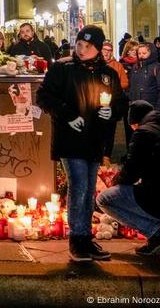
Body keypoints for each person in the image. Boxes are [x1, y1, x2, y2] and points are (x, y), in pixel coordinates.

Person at [37, 25, 127, 262]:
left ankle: (86, 238)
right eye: (79, 45)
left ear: (98, 49)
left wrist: (112, 111)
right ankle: (77, 239)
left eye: (88, 46)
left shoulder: (108, 74)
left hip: (95, 140)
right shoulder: (63, 68)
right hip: (71, 139)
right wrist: (68, 115)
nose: (82, 49)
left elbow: (120, 102)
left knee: (89, 188)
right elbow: (45, 96)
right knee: (79, 186)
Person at [96, 101, 160, 256]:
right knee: (149, 190)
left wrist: (113, 183)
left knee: (104, 199)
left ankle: (156, 234)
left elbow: (131, 173)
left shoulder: (143, 133)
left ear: (135, 122)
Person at [101, 41, 130, 164]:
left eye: (109, 50)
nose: (106, 53)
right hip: (96, 103)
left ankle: (107, 155)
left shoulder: (117, 66)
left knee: (110, 129)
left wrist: (114, 86)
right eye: (104, 50)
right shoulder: (95, 64)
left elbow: (125, 83)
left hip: (112, 102)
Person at [127, 43, 160, 115]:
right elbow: (131, 87)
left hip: (152, 108)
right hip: (136, 107)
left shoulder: (158, 68)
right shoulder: (135, 67)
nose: (141, 55)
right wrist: (131, 102)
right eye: (139, 53)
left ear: (151, 53)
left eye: (144, 53)